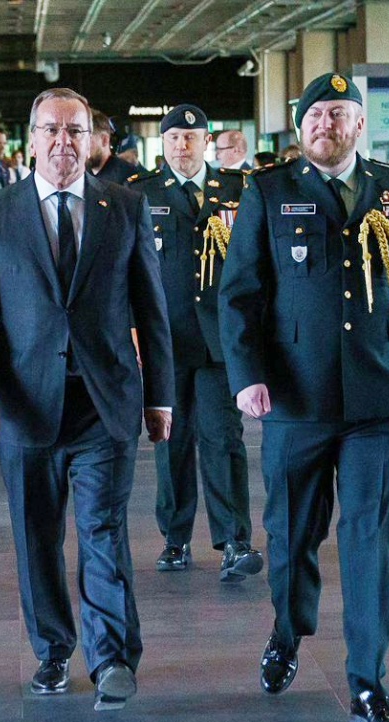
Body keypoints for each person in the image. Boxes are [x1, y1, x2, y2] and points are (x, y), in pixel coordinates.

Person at [219, 73, 389, 722]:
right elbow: (241, 295)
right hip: (296, 393)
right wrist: (246, 376)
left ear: (359, 125)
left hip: (376, 394)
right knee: (289, 537)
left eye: (339, 114)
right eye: (315, 114)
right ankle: (288, 628)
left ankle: (368, 683)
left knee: (371, 542)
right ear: (300, 125)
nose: (325, 124)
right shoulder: (269, 189)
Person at [0, 87, 173, 712]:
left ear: (92, 140)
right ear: (32, 139)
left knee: (103, 529)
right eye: (51, 131)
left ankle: (111, 659)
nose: (63, 143)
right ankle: (52, 652)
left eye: (75, 131)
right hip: (24, 403)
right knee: (36, 535)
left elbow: (151, 312)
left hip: (105, 403)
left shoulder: (125, 208)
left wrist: (161, 396)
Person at [128, 104, 261, 581]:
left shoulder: (238, 191)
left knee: (223, 438)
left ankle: (234, 540)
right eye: (173, 139)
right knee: (172, 441)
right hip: (166, 340)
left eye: (191, 137)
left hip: (221, 340)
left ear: (207, 142)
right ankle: (176, 538)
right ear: (162, 146)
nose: (182, 146)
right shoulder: (141, 195)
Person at [87, 109, 139, 184]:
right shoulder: (83, 176)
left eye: (87, 141)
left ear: (104, 140)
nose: (82, 149)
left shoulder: (127, 177)